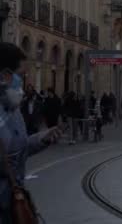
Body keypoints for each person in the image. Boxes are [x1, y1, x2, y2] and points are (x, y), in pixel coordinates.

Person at [0, 42, 61, 223]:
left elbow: (19, 149)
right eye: (20, 75)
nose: (24, 80)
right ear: (5, 75)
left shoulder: (13, 108)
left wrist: (42, 139)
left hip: (10, 204)